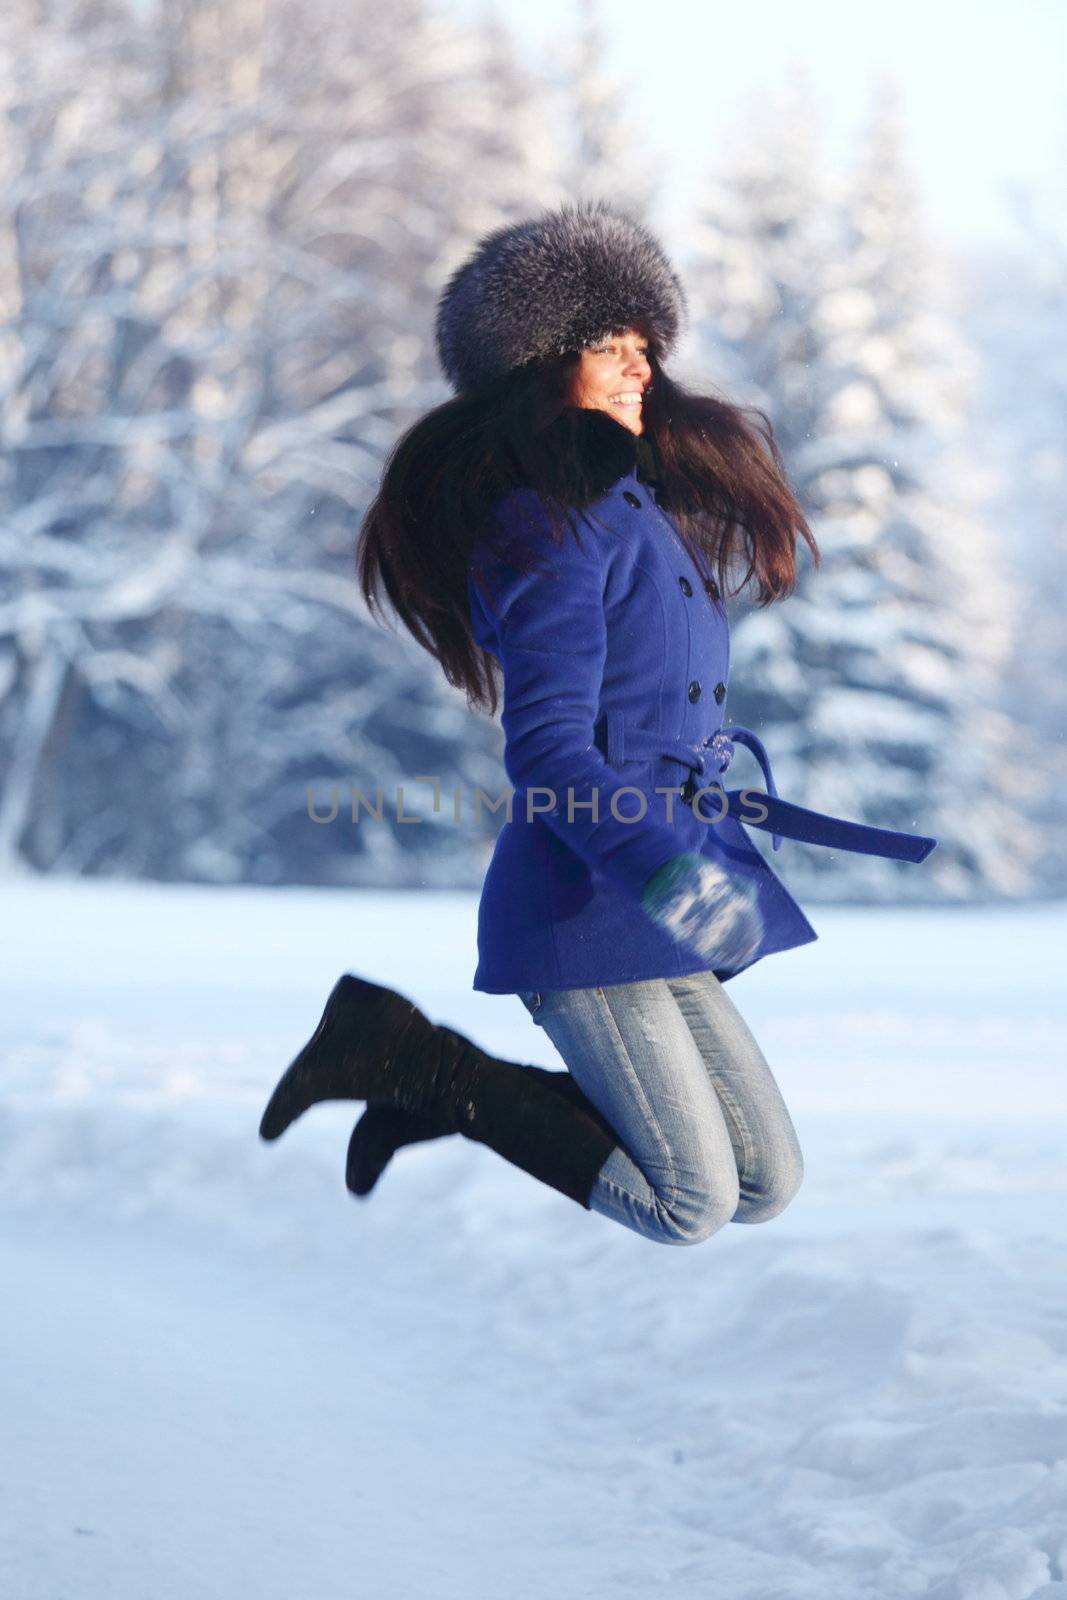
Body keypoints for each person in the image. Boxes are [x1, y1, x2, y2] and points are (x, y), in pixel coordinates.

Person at [258, 200, 937, 1246]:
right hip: (588, 894)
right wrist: (669, 873)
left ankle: (435, 1078)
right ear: (538, 366)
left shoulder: (634, 510)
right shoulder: (545, 524)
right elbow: (547, 752)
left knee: (765, 1179)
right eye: (605, 345)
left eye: (642, 346)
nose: (636, 368)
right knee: (686, 1203)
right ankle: (418, 1064)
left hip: (661, 872)